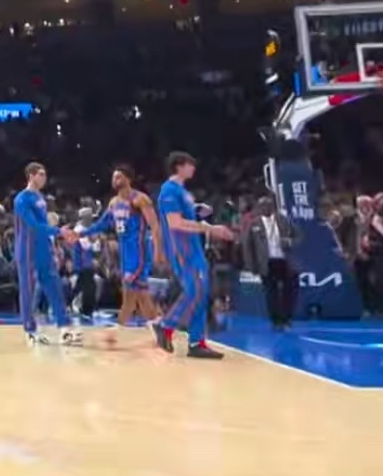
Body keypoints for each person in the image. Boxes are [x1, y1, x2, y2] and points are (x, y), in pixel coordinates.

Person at [151, 151, 234, 359]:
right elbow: (175, 223)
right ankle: (165, 325)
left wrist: (196, 210)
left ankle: (196, 342)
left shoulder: (182, 192)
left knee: (201, 293)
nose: (193, 168)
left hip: (194, 247)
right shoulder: (169, 190)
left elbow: (183, 215)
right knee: (195, 291)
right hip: (182, 249)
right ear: (179, 166)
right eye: (190, 164)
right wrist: (211, 228)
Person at [78, 166, 167, 329]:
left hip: (139, 252)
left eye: (118, 177)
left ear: (128, 179)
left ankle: (125, 327)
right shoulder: (114, 203)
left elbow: (155, 226)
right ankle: (153, 325)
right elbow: (102, 224)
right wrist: (81, 233)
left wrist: (158, 251)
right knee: (132, 295)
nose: (115, 180)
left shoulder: (140, 199)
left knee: (137, 294)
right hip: (125, 253)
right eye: (114, 177)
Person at [14, 163, 79, 346]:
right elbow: (33, 225)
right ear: (31, 176)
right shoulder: (21, 199)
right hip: (27, 249)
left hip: (43, 248)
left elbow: (43, 224)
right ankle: (30, 331)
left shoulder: (40, 198)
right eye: (41, 174)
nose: (44, 178)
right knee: (28, 290)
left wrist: (53, 243)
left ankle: (64, 329)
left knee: (54, 287)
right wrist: (58, 232)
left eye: (44, 174)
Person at [243, 194, 300, 330]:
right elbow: (248, 246)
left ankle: (286, 318)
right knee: (271, 293)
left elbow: (298, 235)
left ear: (273, 207)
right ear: (259, 208)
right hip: (266, 263)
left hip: (285, 261)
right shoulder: (254, 224)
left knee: (289, 291)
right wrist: (251, 265)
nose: (266, 208)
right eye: (263, 206)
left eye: (268, 205)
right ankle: (276, 320)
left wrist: (290, 242)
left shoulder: (283, 220)